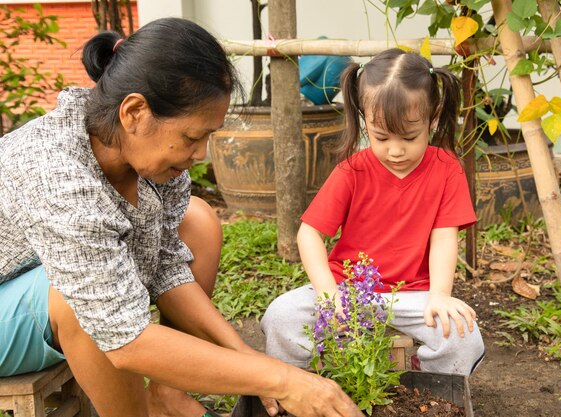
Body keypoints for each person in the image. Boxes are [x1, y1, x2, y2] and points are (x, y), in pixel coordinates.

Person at [0, 18, 364, 417]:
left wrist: (247, 356)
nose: (201, 153)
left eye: (208, 136)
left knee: (198, 222)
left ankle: (167, 397)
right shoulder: (55, 171)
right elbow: (124, 337)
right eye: (192, 138)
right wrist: (281, 380)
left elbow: (168, 268)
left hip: (41, 288)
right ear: (135, 112)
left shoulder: (148, 158)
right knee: (74, 298)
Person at [261, 48, 485, 376]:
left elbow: (444, 239)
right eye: (380, 137)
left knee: (464, 337)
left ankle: (421, 384)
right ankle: (296, 387)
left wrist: (439, 296)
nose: (395, 150)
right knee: (282, 315)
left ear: (432, 119)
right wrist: (327, 291)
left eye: (409, 137)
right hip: (348, 288)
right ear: (364, 118)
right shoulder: (352, 171)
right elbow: (309, 233)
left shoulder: (446, 169)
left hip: (414, 296)